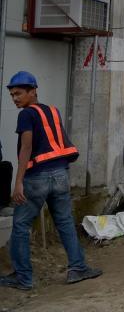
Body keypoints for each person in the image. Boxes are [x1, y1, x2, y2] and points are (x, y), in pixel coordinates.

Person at [1, 71, 101, 291]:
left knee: (20, 226)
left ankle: (23, 277)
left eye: (18, 93)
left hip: (37, 178)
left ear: (33, 91)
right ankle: (78, 268)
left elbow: (26, 147)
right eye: (12, 95)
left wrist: (18, 182)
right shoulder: (52, 111)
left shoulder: (26, 114)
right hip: (60, 175)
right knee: (64, 222)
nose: (15, 98)